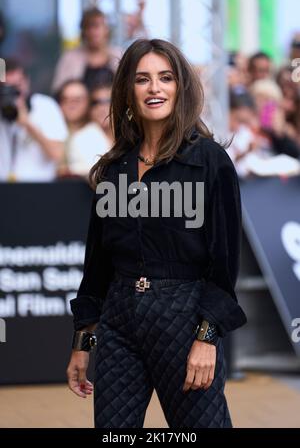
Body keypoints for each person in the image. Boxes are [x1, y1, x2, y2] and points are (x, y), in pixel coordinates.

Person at [66, 39, 247, 428]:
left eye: (165, 78)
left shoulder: (209, 161)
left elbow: (225, 260)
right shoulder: (115, 167)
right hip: (119, 321)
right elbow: (97, 263)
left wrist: (207, 337)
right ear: (127, 91)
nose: (154, 88)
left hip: (184, 322)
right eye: (142, 79)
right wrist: (85, 339)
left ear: (180, 87)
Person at [0, 58, 67, 182]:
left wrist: (27, 124)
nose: (11, 93)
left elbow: (56, 154)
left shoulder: (46, 106)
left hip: (37, 189)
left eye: (16, 86)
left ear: (26, 82)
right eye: (5, 88)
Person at [52, 8, 122, 93]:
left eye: (97, 26)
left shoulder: (119, 55)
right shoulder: (70, 58)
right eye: (88, 27)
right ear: (83, 31)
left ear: (106, 29)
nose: (93, 32)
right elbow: (59, 91)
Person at [56, 79, 112, 178]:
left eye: (109, 101)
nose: (102, 107)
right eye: (96, 102)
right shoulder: (83, 137)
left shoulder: (131, 135)